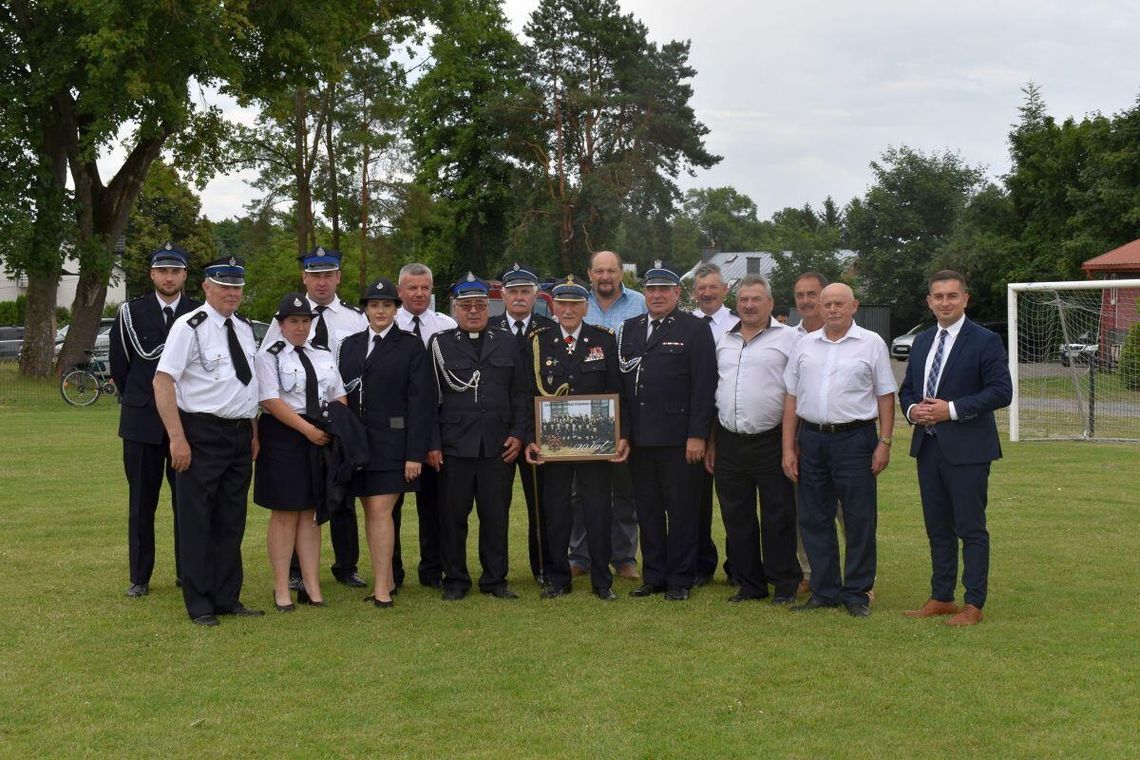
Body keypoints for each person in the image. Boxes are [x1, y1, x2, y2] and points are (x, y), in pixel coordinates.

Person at [153, 256, 262, 626]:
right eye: (225, 286)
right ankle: (199, 602)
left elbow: (248, 385)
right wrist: (177, 438)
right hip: (200, 433)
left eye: (237, 287)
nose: (232, 293)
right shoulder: (190, 326)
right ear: (207, 287)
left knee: (231, 520)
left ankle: (227, 596)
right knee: (197, 520)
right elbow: (163, 381)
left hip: (238, 434)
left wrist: (253, 432)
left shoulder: (244, 327)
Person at [899, 271, 1012, 626]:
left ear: (966, 299)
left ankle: (973, 603)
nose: (945, 302)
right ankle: (941, 596)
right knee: (937, 528)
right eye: (938, 296)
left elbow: (1000, 391)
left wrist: (949, 410)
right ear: (929, 301)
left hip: (968, 451)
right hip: (928, 448)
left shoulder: (985, 341)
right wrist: (913, 410)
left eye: (952, 296)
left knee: (971, 528)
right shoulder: (922, 341)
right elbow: (907, 391)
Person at [781, 283, 896, 618]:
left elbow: (886, 395)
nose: (831, 309)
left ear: (854, 306)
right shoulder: (804, 345)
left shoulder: (871, 344)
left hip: (855, 439)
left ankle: (857, 592)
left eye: (838, 304)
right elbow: (792, 398)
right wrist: (788, 447)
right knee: (814, 517)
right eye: (826, 304)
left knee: (859, 517)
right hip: (812, 439)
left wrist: (884, 442)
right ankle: (824, 590)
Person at [262, 247, 369, 590]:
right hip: (291, 428)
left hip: (336, 419)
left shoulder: (355, 317)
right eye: (315, 276)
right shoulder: (279, 327)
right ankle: (296, 573)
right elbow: (267, 376)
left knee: (341, 496)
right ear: (304, 278)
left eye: (328, 275)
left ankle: (346, 565)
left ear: (338, 277)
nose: (322, 282)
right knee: (298, 502)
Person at [523, 276, 630, 601]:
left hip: (595, 443)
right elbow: (526, 394)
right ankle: (558, 578)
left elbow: (617, 391)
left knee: (598, 509)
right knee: (556, 510)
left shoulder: (604, 340)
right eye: (563, 304)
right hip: (554, 443)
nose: (568, 310)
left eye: (575, 304)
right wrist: (531, 437)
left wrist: (621, 435)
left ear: (585, 307)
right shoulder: (539, 341)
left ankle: (602, 580)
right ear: (553, 307)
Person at [617, 261, 717, 601]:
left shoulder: (694, 329)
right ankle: (655, 575)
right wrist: (625, 433)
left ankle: (680, 578)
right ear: (643, 293)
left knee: (683, 510)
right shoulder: (629, 329)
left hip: (679, 439)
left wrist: (697, 434)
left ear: (678, 293)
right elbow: (623, 386)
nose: (657, 295)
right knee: (647, 510)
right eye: (651, 289)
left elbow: (704, 386)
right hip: (642, 440)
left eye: (664, 289)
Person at [428, 273, 530, 601]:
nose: (473, 311)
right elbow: (430, 400)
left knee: (495, 517)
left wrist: (518, 434)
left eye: (480, 305)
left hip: (497, 445)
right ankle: (455, 579)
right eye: (466, 306)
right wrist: (433, 443)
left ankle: (495, 580)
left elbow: (521, 393)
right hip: (455, 446)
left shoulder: (508, 341)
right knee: (453, 518)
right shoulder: (440, 344)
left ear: (489, 307)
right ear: (455, 309)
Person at [110, 243, 202, 598]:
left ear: (184, 275)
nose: (168, 277)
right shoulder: (131, 312)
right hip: (142, 422)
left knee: (188, 502)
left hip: (188, 421)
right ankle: (140, 577)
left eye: (175, 271)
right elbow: (121, 366)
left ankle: (187, 571)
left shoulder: (198, 312)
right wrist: (139, 401)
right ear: (151, 274)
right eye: (162, 270)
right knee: (141, 501)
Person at [704, 274, 801, 605]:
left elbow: (795, 392)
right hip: (729, 439)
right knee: (736, 515)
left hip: (770, 439)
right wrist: (713, 442)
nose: (748, 305)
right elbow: (715, 392)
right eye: (743, 299)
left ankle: (785, 582)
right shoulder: (723, 340)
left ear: (770, 303)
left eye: (756, 299)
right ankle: (750, 584)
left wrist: (791, 444)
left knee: (779, 514)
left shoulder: (789, 339)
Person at [338, 278, 435, 609]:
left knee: (380, 511)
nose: (380, 311)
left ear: (396, 309)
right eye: (374, 305)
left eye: (387, 305)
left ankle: (382, 589)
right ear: (365, 309)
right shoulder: (349, 345)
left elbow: (421, 403)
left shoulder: (410, 346)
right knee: (370, 511)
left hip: (394, 446)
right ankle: (388, 577)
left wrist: (414, 454)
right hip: (359, 446)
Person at [254, 293, 347, 611]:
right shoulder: (270, 354)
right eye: (293, 321)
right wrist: (307, 430)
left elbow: (338, 393)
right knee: (284, 513)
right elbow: (269, 399)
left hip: (320, 434)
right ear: (280, 324)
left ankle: (312, 585)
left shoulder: (322, 352)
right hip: (284, 437)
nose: (300, 327)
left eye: (305, 321)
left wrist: (332, 426)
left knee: (311, 514)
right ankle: (281, 588)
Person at [574, 249, 647, 582]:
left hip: (625, 402)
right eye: (599, 271)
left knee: (624, 487)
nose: (605, 277)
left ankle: (624, 556)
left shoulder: (640, 303)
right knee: (580, 487)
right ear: (589, 274)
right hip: (582, 407)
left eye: (611, 270)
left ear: (621, 273)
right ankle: (580, 554)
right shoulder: (575, 301)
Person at [392, 262, 458, 589]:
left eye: (425, 288)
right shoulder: (384, 324)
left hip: (437, 424)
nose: (419, 293)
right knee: (390, 505)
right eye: (412, 288)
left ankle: (433, 570)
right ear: (400, 290)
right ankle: (391, 572)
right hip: (395, 427)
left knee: (434, 505)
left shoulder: (446, 325)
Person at [491, 262, 557, 586]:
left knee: (541, 507)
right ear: (502, 295)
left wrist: (529, 432)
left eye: (525, 292)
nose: (519, 297)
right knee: (496, 507)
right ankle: (496, 572)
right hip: (499, 434)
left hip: (538, 432)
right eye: (513, 291)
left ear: (536, 296)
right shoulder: (489, 329)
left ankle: (543, 568)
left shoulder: (550, 329)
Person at [690, 262, 739, 585]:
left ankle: (739, 565)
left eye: (713, 287)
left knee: (735, 501)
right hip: (694, 423)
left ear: (725, 290)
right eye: (701, 288)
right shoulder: (685, 324)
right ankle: (700, 564)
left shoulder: (739, 324)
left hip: (729, 423)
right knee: (696, 501)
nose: (707, 293)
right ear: (694, 293)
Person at [791, 271, 828, 595]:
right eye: (800, 295)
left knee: (848, 511)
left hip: (845, 437)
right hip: (803, 435)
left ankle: (862, 579)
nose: (805, 301)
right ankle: (808, 572)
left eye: (811, 294)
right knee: (805, 509)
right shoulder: (790, 338)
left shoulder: (860, 338)